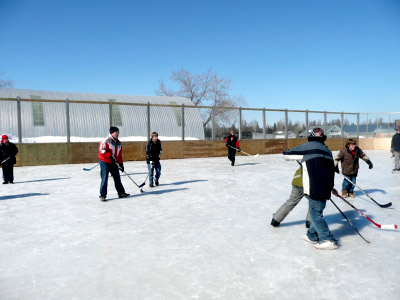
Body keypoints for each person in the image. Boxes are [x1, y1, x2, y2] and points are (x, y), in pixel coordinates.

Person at [282, 128, 338, 250]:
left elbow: (287, 155)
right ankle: (312, 235)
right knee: (315, 213)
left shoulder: (308, 146)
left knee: (316, 215)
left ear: (311, 136)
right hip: (325, 188)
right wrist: (331, 187)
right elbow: (331, 171)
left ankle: (328, 239)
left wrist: (286, 151)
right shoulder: (328, 151)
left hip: (314, 188)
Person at [98, 126, 130, 202]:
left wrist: (121, 164)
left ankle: (121, 193)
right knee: (104, 179)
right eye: (116, 132)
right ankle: (102, 195)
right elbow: (102, 150)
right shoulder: (106, 141)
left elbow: (119, 154)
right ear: (112, 133)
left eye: (118, 132)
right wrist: (110, 156)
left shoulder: (118, 143)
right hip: (105, 162)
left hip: (114, 163)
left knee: (117, 178)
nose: (117, 133)